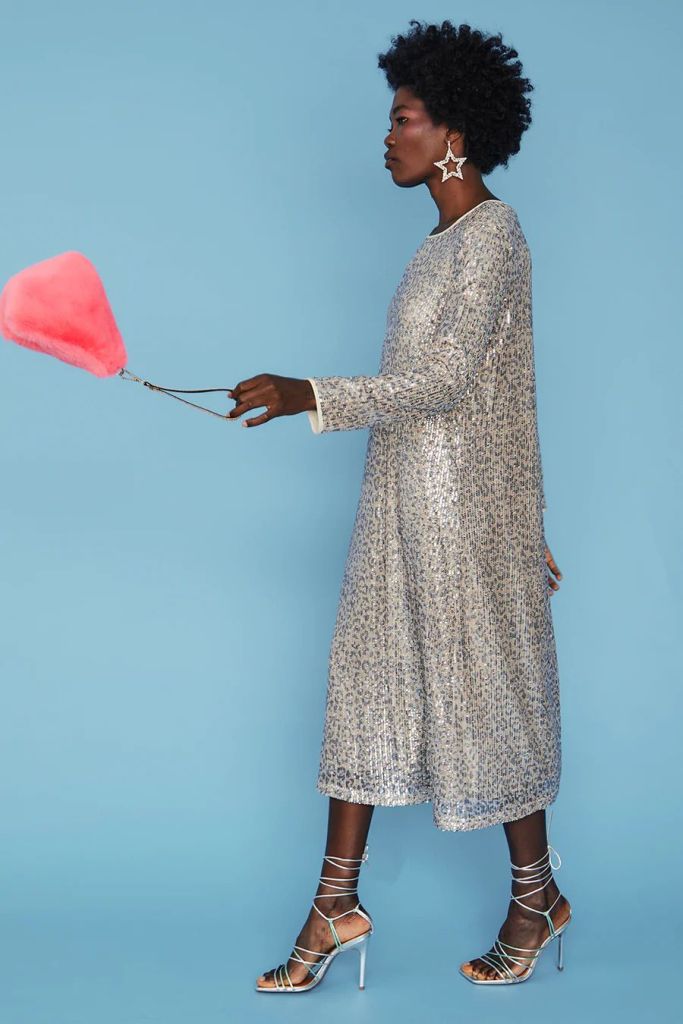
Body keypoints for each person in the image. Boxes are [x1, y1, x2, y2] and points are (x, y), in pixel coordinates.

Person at [227, 19, 571, 992]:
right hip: (395, 508)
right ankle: (333, 903)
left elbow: (454, 383)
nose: (387, 137)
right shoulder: (434, 247)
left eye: (404, 119)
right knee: (364, 690)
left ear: (454, 129)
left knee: (487, 702)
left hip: (464, 521)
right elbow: (490, 394)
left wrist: (310, 391)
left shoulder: (493, 237)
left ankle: (535, 896)